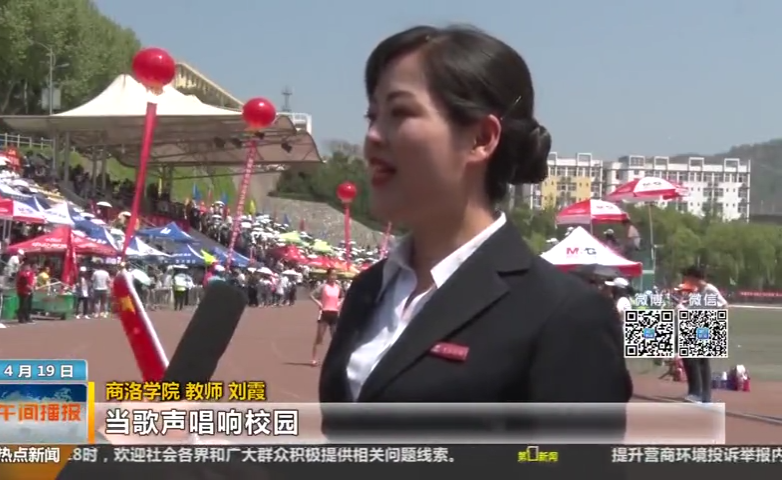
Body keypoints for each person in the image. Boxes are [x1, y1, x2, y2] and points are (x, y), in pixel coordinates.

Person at [319, 25, 631, 441]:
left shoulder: (564, 315)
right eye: (372, 116)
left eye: (400, 113)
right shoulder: (368, 290)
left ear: (481, 139)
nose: (373, 137)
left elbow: (573, 464)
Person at [680, 265, 726, 404]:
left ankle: (699, 394)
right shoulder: (696, 292)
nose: (686, 280)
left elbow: (723, 305)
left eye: (687, 277)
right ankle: (703, 395)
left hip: (705, 326)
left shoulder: (709, 290)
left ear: (693, 277)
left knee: (697, 360)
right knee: (700, 361)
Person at [311, 268, 342, 366]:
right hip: (324, 313)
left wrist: (339, 303)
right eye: (332, 275)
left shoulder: (338, 287)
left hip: (334, 313)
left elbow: (343, 296)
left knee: (335, 338)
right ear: (328, 276)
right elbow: (311, 295)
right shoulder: (323, 286)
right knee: (319, 337)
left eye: (335, 275)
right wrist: (319, 303)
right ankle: (314, 358)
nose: (333, 277)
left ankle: (335, 359)